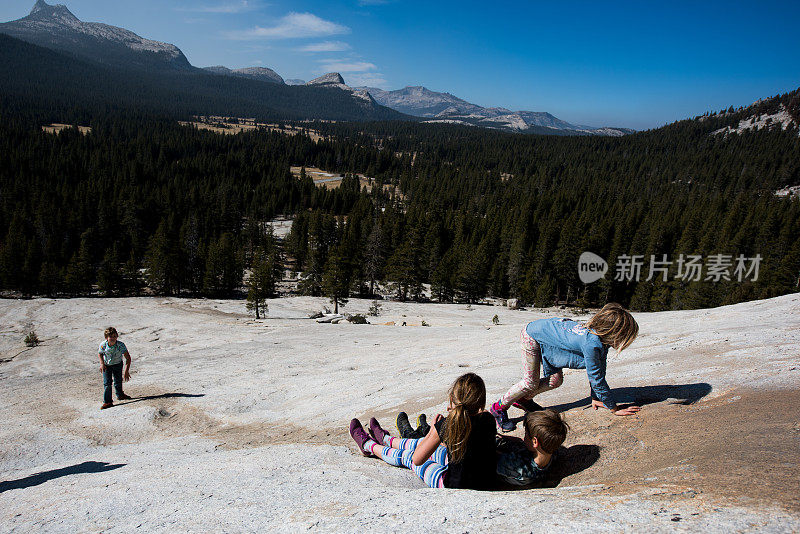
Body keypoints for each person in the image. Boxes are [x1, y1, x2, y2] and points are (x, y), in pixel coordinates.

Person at [489, 303, 640, 431]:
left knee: (555, 380)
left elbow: (599, 370)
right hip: (532, 336)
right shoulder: (591, 344)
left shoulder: (600, 340)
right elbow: (596, 379)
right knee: (530, 383)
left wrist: (595, 398)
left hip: (549, 339)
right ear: (615, 333)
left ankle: (523, 400)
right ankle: (498, 407)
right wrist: (614, 408)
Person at [348, 372, 496, 489]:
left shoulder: (447, 425)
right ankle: (387, 440)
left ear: (453, 399)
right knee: (435, 448)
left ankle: (369, 446)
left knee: (407, 456)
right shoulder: (488, 420)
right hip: (485, 481)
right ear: (480, 402)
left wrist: (433, 431)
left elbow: (417, 459)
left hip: (452, 486)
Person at [495, 409, 568, 486]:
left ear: (535, 442)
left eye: (526, 434)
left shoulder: (516, 465)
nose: (524, 437)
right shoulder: (552, 451)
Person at [98, 327, 132, 409]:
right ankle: (108, 401)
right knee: (107, 383)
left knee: (118, 380)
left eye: (114, 336)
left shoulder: (120, 345)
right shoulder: (103, 345)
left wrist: (126, 371)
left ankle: (120, 395)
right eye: (110, 337)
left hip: (117, 364)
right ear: (106, 338)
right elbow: (100, 353)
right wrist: (102, 364)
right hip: (107, 365)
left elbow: (128, 358)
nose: (113, 338)